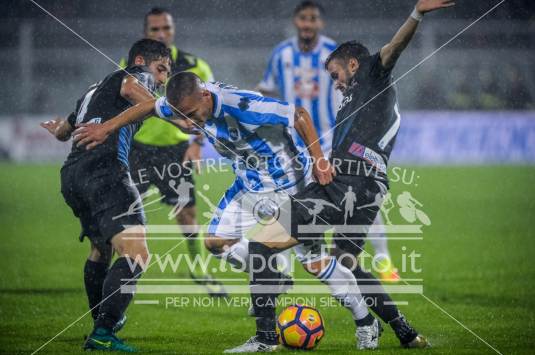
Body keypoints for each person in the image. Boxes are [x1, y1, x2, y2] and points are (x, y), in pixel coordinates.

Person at [72, 72, 381, 351]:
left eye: (193, 115)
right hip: (248, 186)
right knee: (215, 242)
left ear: (205, 96)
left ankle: (365, 321)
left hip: (287, 185)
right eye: (183, 118)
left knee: (314, 262)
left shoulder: (241, 105)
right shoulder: (185, 103)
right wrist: (107, 128)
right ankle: (273, 276)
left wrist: (318, 160)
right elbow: (149, 106)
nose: (191, 123)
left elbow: (299, 115)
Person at [226, 0, 454, 352]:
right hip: (371, 186)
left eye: (335, 74)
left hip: (344, 182)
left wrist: (416, 14)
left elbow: (394, 49)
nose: (335, 83)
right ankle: (404, 332)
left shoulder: (370, 75)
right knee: (346, 261)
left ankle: (265, 339)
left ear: (352, 63)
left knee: (261, 244)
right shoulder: (357, 97)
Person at [40, 39, 171, 352]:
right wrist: (167, 110)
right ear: (141, 60)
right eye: (161, 69)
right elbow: (133, 90)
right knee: (137, 252)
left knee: (101, 248)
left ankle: (102, 317)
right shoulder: (135, 75)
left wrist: (59, 126)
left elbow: (64, 132)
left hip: (72, 174)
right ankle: (103, 331)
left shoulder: (94, 88)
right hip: (105, 169)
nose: (163, 79)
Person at [258, 0, 399, 281]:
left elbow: (354, 92)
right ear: (296, 22)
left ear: (319, 23)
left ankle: (383, 259)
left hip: (331, 140)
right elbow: (267, 90)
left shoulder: (333, 54)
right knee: (289, 198)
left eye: (313, 19)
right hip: (292, 142)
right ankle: (280, 272)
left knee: (356, 196)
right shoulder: (281, 53)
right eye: (303, 19)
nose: (308, 24)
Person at [121, 7, 224, 294]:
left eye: (166, 28)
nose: (162, 34)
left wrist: (197, 144)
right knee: (120, 211)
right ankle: (114, 269)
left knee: (187, 214)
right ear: (146, 33)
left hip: (175, 152)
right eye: (155, 30)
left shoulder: (195, 65)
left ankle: (198, 269)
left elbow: (209, 112)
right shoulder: (130, 65)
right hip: (137, 149)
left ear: (173, 30)